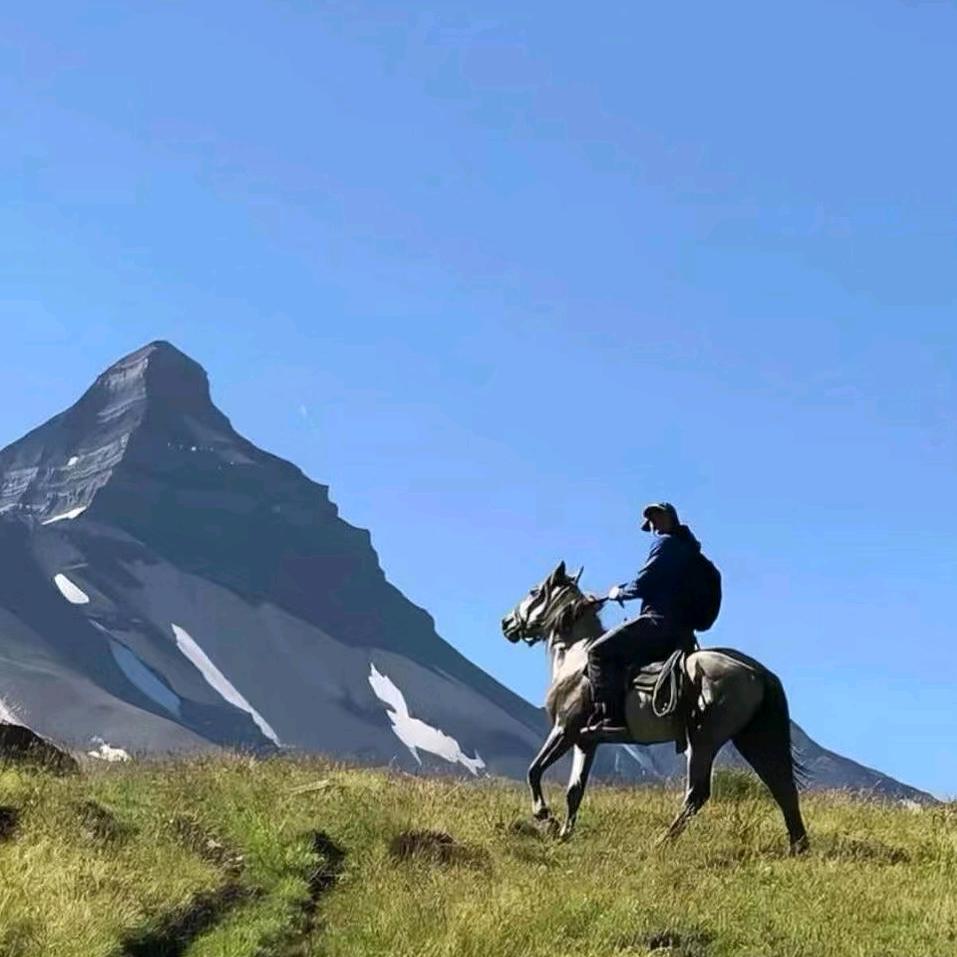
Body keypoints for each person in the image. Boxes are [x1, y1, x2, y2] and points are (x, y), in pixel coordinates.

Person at [582, 502, 701, 735]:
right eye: (651, 522)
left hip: (658, 621)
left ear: (669, 519)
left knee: (596, 652)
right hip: (682, 630)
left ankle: (611, 718)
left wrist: (618, 592)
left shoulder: (666, 544)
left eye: (656, 518)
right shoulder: (689, 549)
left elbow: (645, 582)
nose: (654, 525)